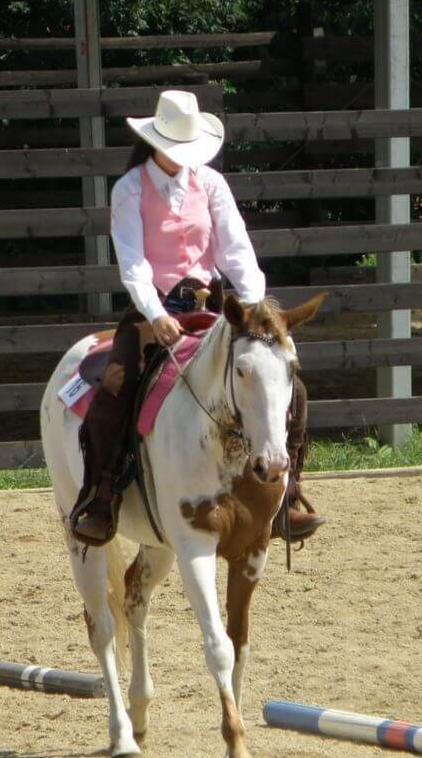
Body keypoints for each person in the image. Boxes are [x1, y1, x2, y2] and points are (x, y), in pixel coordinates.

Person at [71, 90, 325, 546]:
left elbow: (236, 250)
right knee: (115, 386)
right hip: (153, 311)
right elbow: (133, 263)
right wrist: (155, 312)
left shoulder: (210, 185)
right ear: (155, 142)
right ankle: (102, 494)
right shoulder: (130, 189)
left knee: (291, 387)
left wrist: (255, 311)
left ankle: (287, 495)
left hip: (215, 310)